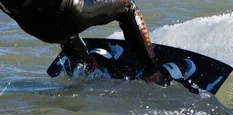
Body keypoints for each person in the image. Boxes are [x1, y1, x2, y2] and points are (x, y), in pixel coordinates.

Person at [0, 0, 163, 83]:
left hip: (41, 31)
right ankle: (152, 73)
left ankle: (88, 67)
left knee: (63, 32)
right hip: (69, 12)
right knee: (128, 7)